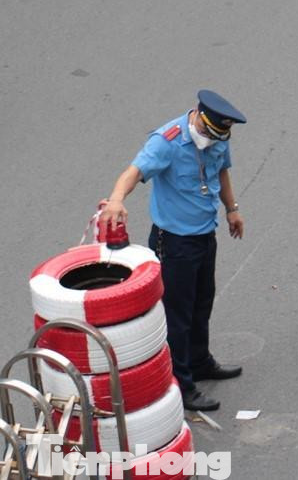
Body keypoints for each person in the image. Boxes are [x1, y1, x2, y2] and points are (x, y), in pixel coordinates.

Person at [98, 90, 246, 412]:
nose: (211, 140)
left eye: (218, 135)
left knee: (202, 303)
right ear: (197, 116)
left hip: (206, 235)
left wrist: (232, 209)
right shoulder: (167, 141)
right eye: (207, 132)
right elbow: (134, 172)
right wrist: (116, 199)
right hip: (175, 243)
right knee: (177, 316)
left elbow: (222, 171)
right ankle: (183, 383)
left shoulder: (217, 138)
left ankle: (200, 360)